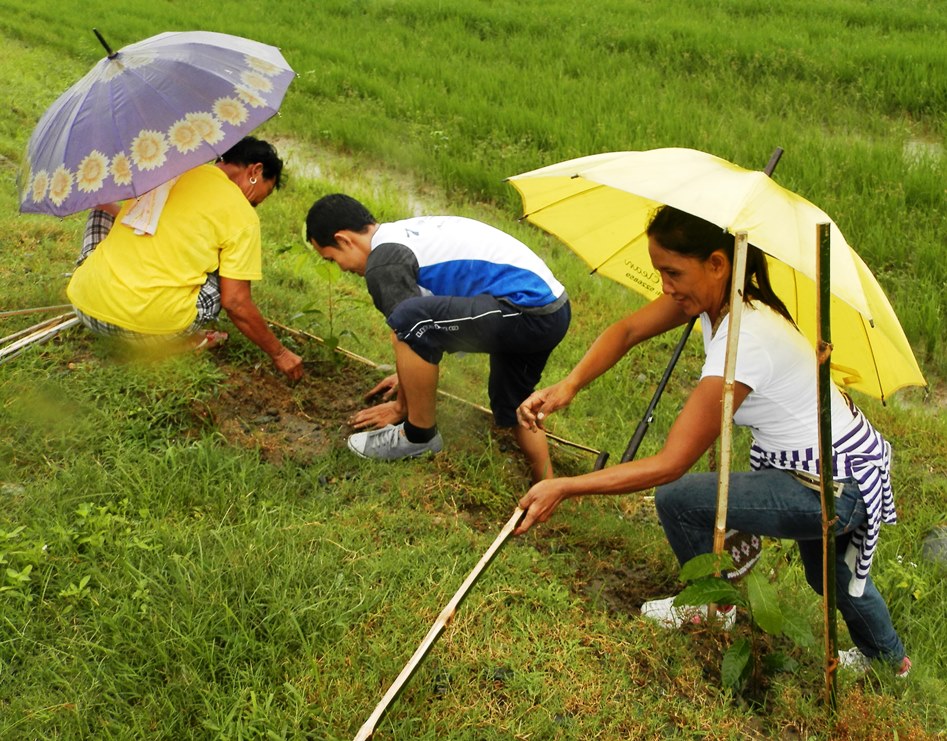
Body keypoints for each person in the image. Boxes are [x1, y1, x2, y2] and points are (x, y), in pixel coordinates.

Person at [514, 205, 910, 676]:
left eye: (673, 271)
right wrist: (569, 385)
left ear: (718, 264)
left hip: (834, 484)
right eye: (660, 270)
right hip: (837, 467)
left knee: (679, 498)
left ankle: (713, 606)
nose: (664, 285)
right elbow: (627, 330)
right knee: (829, 576)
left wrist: (566, 486)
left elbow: (671, 463)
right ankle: (889, 661)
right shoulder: (718, 300)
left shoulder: (747, 341)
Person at [305, 193, 571, 482]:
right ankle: (547, 484)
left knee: (409, 322)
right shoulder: (402, 234)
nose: (341, 268)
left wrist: (401, 406)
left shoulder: (383, 264)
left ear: (344, 239)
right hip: (551, 309)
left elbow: (408, 329)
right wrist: (408, 370)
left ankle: (418, 436)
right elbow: (424, 327)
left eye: (332, 259)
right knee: (515, 404)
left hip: (523, 310)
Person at [66, 136, 303, 381]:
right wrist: (280, 353)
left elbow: (135, 221)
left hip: (86, 309)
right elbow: (236, 303)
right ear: (256, 170)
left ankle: (101, 287)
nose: (257, 202)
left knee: (100, 210)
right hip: (150, 332)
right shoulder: (242, 216)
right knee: (225, 273)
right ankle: (180, 340)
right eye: (265, 191)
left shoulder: (167, 169)